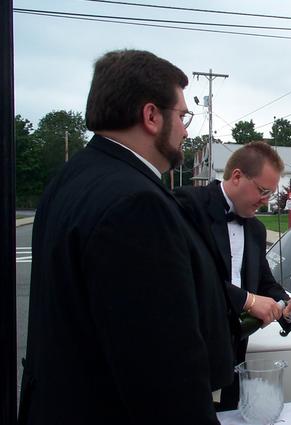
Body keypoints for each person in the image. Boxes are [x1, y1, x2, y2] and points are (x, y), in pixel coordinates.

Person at [18, 50, 234, 425]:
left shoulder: (72, 178)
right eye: (182, 116)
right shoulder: (136, 204)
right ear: (151, 116)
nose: (186, 131)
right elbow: (163, 375)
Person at [174, 141, 291, 411]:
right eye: (262, 191)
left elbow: (264, 282)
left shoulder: (256, 229)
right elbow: (186, 276)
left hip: (234, 354)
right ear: (237, 176)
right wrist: (247, 300)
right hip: (189, 352)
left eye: (271, 194)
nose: (266, 201)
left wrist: (287, 306)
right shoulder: (188, 205)